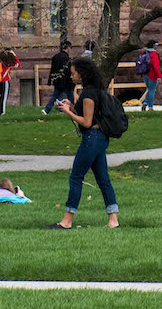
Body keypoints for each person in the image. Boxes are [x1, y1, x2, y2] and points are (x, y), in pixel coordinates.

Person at [49, 57, 119, 229]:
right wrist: (72, 106)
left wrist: (67, 112)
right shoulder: (94, 90)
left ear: (82, 73)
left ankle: (66, 221)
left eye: (73, 73)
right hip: (100, 138)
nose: (71, 76)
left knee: (76, 177)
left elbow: (87, 122)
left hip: (92, 138)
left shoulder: (88, 94)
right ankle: (113, 220)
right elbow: (90, 115)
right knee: (103, 179)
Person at [43, 41, 74, 115]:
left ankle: (46, 110)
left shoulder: (55, 57)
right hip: (66, 82)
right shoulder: (67, 58)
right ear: (68, 48)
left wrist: (51, 80)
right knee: (70, 96)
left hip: (57, 80)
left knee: (55, 95)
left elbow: (52, 69)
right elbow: (68, 71)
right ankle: (74, 110)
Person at [138, 41, 162, 111]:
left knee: (149, 89)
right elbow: (156, 66)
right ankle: (150, 107)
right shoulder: (154, 54)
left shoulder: (144, 52)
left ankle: (145, 102)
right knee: (152, 90)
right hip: (152, 74)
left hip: (144, 73)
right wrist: (159, 76)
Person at [0, 49, 18, 115]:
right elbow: (17, 64)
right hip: (5, 81)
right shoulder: (8, 63)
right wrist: (14, 55)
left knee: (2, 96)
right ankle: (2, 111)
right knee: (4, 97)